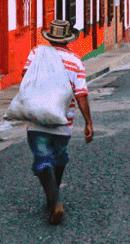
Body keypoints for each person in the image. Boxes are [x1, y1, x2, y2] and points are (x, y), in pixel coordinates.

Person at [23, 19, 94, 225]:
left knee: (42, 158)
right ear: (68, 40)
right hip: (64, 121)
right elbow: (81, 94)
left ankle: (54, 202)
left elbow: (25, 77)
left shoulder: (37, 54)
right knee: (59, 157)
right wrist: (88, 122)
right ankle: (52, 200)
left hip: (37, 119)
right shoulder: (76, 62)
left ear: (50, 38)